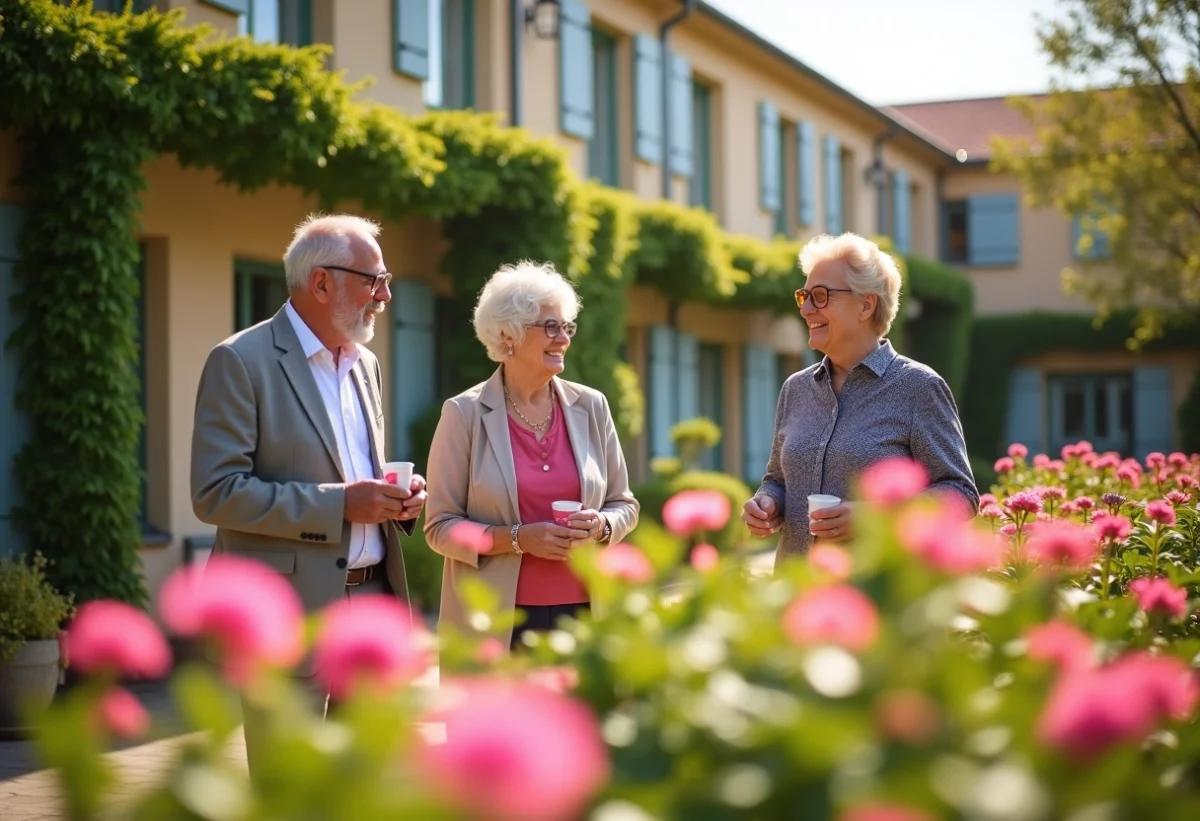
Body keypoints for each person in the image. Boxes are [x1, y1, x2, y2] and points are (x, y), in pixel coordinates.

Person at [190, 213, 427, 769]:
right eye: (374, 280)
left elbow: (355, 469)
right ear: (322, 283)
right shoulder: (239, 361)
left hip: (374, 603)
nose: (386, 295)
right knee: (287, 787)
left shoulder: (366, 363)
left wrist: (399, 497)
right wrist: (340, 503)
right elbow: (216, 493)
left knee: (367, 787)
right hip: (288, 617)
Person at [424, 261, 639, 651]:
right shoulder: (464, 413)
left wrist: (603, 526)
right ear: (509, 335)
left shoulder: (592, 406)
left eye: (567, 327)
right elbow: (440, 527)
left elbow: (623, 503)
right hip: (496, 623)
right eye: (550, 327)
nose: (563, 339)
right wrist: (519, 539)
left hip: (587, 616)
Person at [741, 232, 977, 559]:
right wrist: (768, 503)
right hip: (797, 594)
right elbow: (777, 480)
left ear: (866, 304)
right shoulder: (795, 389)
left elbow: (960, 495)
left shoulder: (918, 387)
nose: (806, 308)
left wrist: (873, 516)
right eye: (804, 296)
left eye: (820, 296)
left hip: (878, 597)